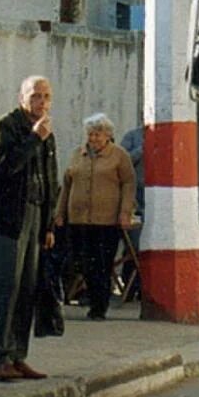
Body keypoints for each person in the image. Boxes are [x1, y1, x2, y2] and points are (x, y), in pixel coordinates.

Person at [0, 74, 58, 382]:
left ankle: (17, 356)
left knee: (26, 289)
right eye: (36, 95)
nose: (42, 102)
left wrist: (49, 223)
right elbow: (7, 166)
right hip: (8, 219)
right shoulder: (6, 127)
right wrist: (33, 138)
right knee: (4, 288)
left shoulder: (45, 132)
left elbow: (50, 178)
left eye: (47, 96)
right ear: (22, 98)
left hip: (36, 215)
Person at [53, 114, 136, 320]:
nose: (94, 138)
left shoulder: (119, 155)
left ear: (108, 135)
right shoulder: (77, 155)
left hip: (106, 221)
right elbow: (67, 185)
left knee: (102, 263)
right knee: (82, 262)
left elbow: (129, 184)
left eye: (98, 134)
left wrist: (125, 212)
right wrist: (59, 213)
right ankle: (90, 298)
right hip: (78, 219)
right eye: (91, 134)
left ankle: (99, 307)